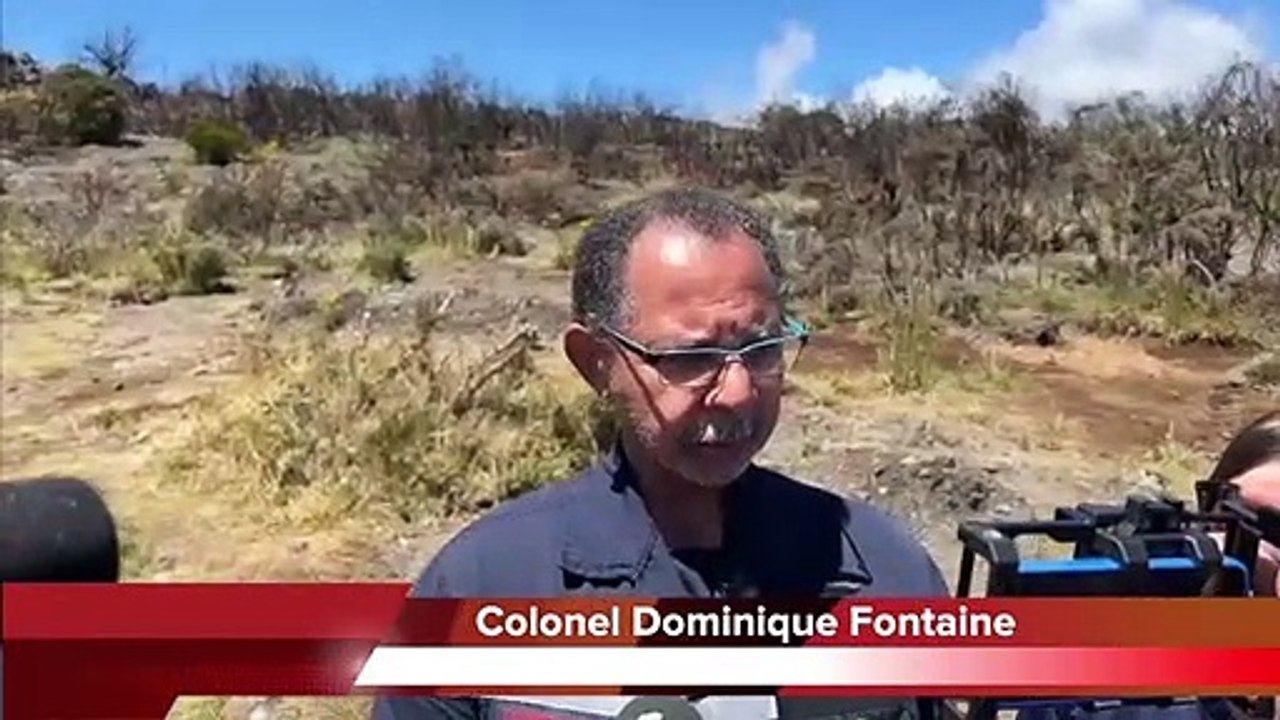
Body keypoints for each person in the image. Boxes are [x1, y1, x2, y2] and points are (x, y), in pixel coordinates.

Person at [371, 187, 950, 720]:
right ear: (595, 361)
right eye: (687, 358)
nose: (738, 391)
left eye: (762, 347)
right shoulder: (483, 585)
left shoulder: (887, 568)